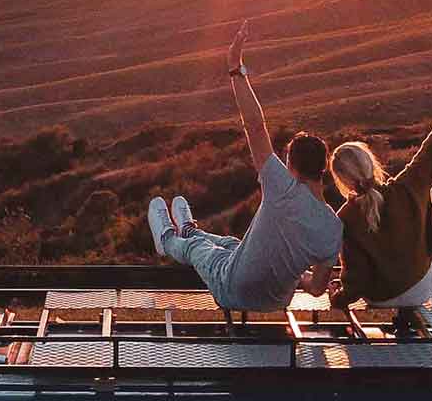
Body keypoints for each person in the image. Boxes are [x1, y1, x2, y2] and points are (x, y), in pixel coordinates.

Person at [146, 20, 342, 311]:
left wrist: (236, 68)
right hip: (275, 301)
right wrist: (301, 277)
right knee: (229, 245)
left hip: (233, 290)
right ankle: (189, 228)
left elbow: (255, 126)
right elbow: (315, 290)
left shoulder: (283, 189)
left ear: (290, 165)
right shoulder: (333, 229)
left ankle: (168, 237)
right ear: (324, 167)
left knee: (197, 250)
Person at [327, 72, 432, 316]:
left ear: (340, 179)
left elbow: (356, 276)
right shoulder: (407, 186)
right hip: (420, 289)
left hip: (378, 297)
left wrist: (338, 299)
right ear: (371, 163)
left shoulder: (346, 217)